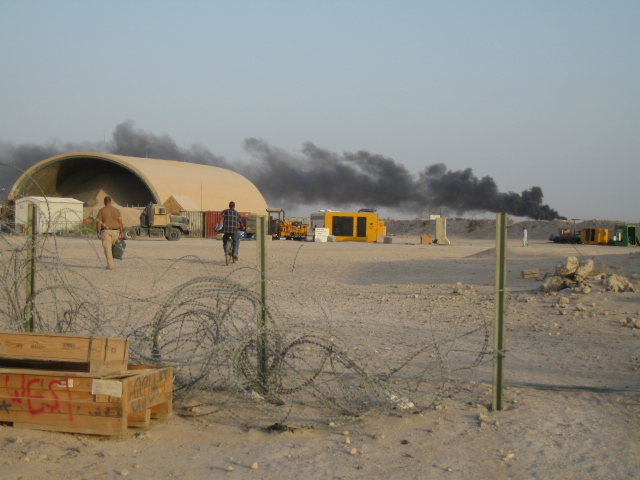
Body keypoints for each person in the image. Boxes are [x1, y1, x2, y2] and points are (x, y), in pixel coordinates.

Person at [96, 196, 124, 269]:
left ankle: (110, 265)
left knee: (107, 248)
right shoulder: (117, 210)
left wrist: (98, 232)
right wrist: (122, 232)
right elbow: (120, 222)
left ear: (104, 202)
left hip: (105, 231)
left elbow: (99, 222)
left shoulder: (102, 210)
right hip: (116, 231)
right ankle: (112, 262)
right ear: (110, 202)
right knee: (114, 248)